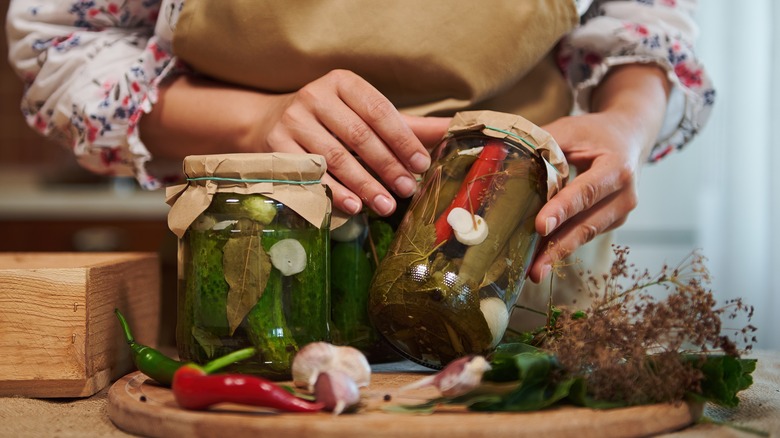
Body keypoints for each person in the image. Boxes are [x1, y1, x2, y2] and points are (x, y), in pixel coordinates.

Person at [6, 1, 713, 314]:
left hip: (517, 280)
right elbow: (60, 51)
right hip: (249, 298)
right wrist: (258, 121)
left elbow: (645, 22)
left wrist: (625, 122)